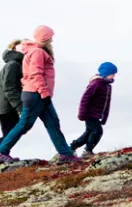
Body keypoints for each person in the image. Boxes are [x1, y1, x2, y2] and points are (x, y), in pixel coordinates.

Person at [0, 25, 79, 164]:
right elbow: (36, 74)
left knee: (53, 123)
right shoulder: (37, 52)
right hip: (35, 94)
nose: (52, 41)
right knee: (24, 124)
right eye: (50, 38)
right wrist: (44, 93)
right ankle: (2, 151)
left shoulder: (35, 52)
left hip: (39, 94)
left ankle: (65, 154)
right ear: (45, 38)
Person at [73, 63, 117, 156]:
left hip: (97, 115)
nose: (114, 75)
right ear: (106, 73)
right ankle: (87, 151)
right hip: (89, 113)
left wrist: (104, 118)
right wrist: (82, 113)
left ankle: (72, 147)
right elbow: (85, 98)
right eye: (112, 73)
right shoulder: (96, 83)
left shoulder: (108, 86)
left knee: (89, 132)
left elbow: (107, 103)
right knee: (97, 131)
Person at [0, 40, 24, 137]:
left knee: (12, 133)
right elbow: (10, 88)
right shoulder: (13, 64)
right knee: (11, 134)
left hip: (8, 105)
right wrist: (20, 107)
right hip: (6, 106)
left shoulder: (16, 64)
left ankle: (3, 151)